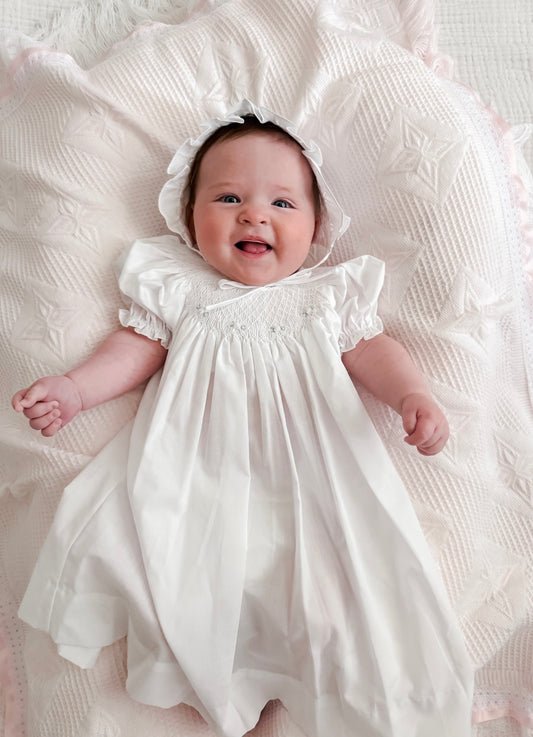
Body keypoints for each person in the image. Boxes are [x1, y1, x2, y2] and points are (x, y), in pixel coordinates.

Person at [13, 101, 472, 737]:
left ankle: (307, 684)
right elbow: (133, 350)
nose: (254, 214)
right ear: (190, 218)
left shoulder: (327, 296)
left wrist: (412, 395)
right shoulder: (179, 289)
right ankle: (234, 695)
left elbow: (371, 349)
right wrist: (74, 389)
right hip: (200, 470)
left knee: (331, 591)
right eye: (228, 197)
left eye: (283, 203)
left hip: (317, 478)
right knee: (192, 579)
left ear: (316, 228)